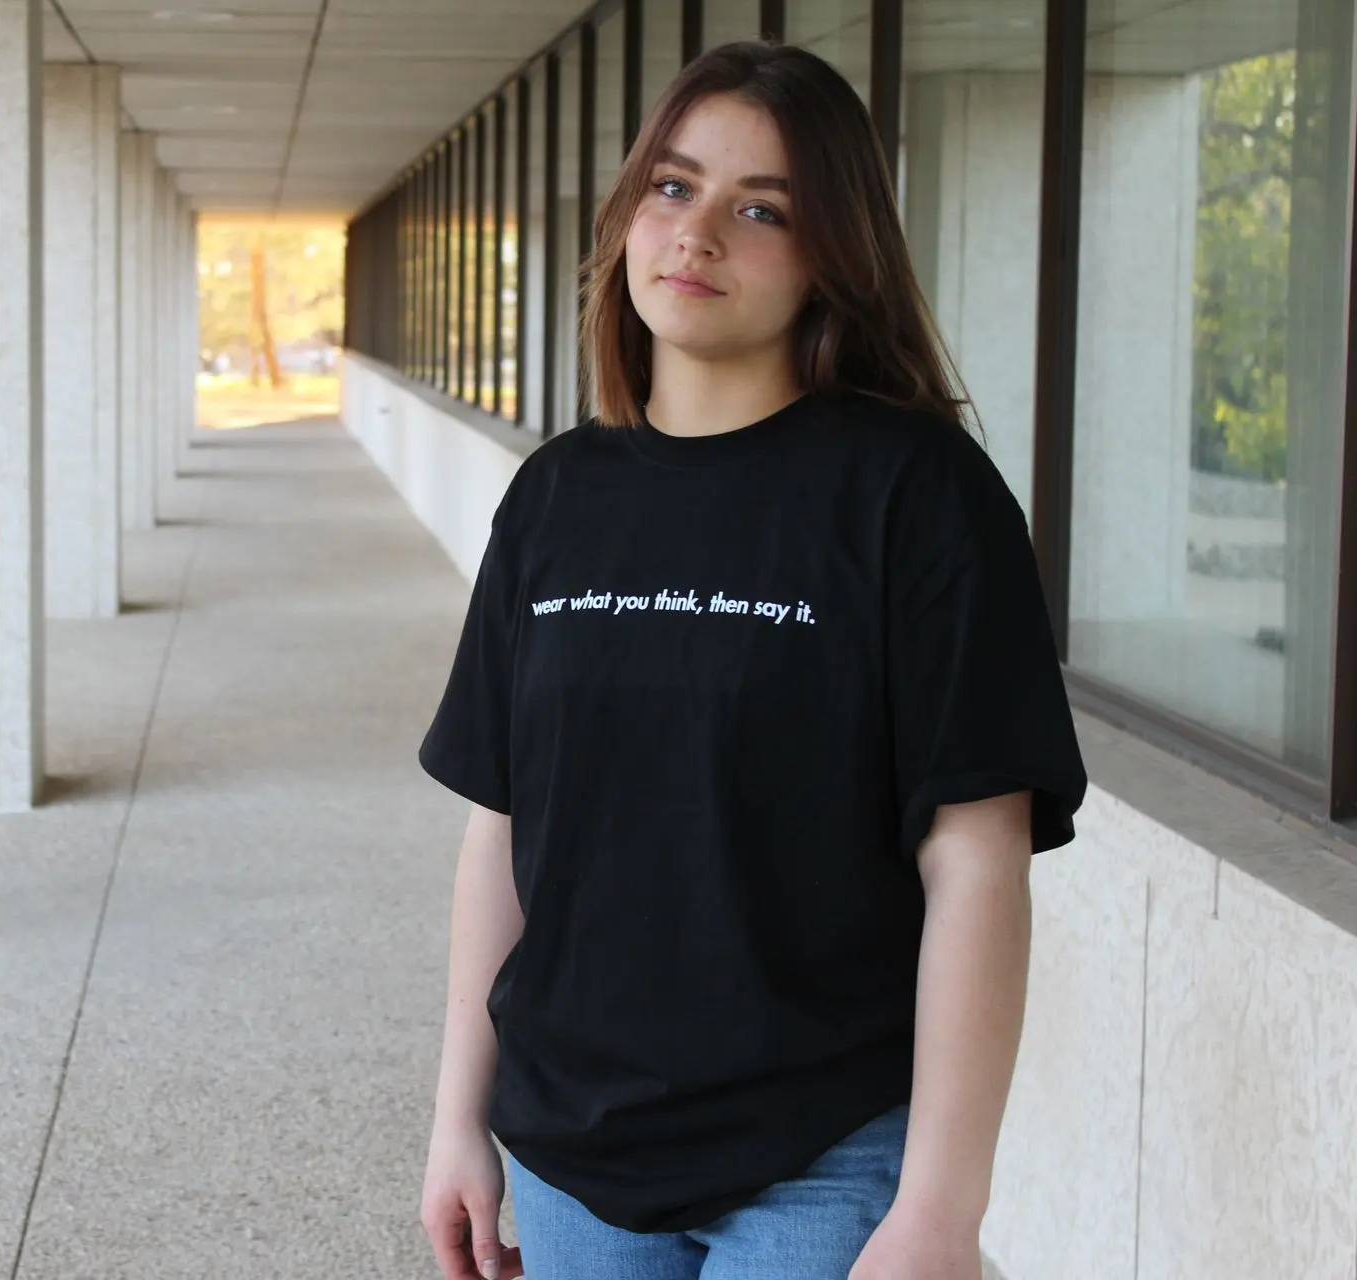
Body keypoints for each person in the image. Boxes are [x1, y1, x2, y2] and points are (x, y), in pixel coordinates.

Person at [414, 39, 1088, 1280]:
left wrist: (941, 1208)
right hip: (576, 1152)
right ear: (626, 218)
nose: (699, 232)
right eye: (673, 188)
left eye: (761, 206)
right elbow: (503, 830)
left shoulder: (919, 497)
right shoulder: (556, 498)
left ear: (832, 255)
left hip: (821, 1156)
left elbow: (978, 858)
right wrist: (459, 1115)